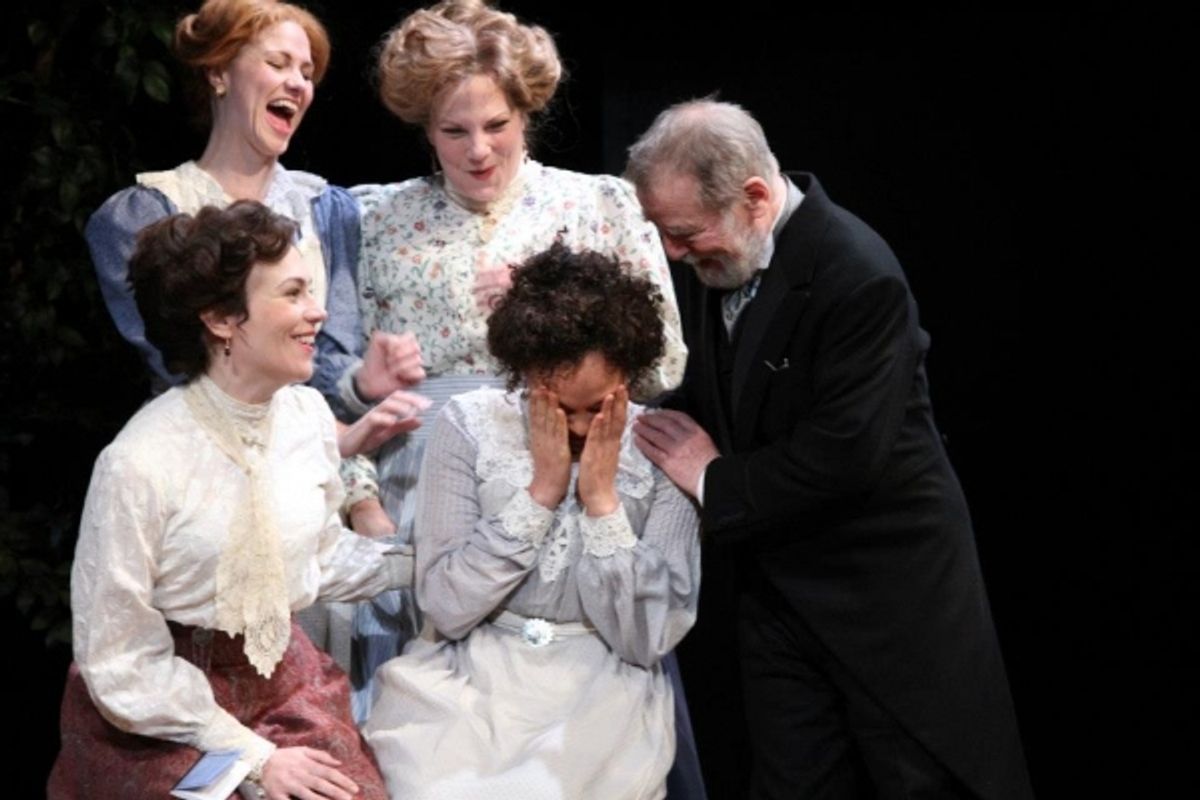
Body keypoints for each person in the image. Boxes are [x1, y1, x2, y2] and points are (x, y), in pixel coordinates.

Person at [628, 100, 1034, 799]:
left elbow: (845, 454)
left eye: (687, 234)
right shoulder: (714, 265)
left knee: (919, 781)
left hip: (884, 598)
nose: (674, 254)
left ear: (754, 198)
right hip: (778, 590)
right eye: (665, 234)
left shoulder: (857, 272)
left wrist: (714, 478)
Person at [323, 0, 689, 735]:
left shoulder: (596, 204)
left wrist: (553, 314)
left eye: (497, 125)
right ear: (424, 129)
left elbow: (663, 367)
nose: (478, 150)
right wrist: (363, 502)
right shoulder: (376, 219)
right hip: (425, 495)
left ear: (527, 112)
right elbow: (338, 393)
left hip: (575, 483)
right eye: (453, 131)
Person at [47, 202, 411, 800]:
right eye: (292, 294)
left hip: (283, 687)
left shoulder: (305, 415)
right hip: (159, 716)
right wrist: (255, 757)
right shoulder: (140, 461)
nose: (316, 312)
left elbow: (316, 557)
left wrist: (419, 561)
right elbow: (118, 658)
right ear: (221, 319)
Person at [363, 244, 700, 800]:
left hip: (600, 689)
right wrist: (541, 493)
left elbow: (650, 637)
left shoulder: (661, 444)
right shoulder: (469, 424)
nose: (578, 425)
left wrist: (601, 502)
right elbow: (445, 605)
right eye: (556, 405)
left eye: (597, 405)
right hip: (470, 681)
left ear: (629, 374)